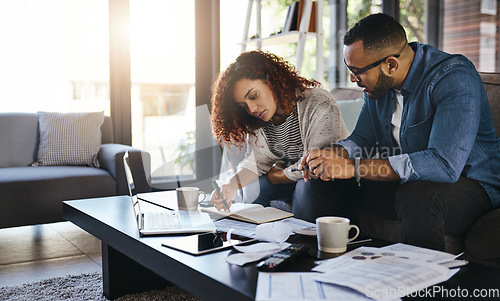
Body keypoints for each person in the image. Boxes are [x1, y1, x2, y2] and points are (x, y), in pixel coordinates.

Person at [297, 13, 500, 252]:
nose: (353, 79)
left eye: (357, 70)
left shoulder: (453, 78)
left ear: (391, 64)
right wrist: (330, 156)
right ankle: (322, 266)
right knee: (318, 182)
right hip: (407, 184)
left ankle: (421, 284)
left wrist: (354, 167)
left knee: (417, 196)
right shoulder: (378, 87)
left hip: (473, 186)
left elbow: (443, 165)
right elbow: (362, 139)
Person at [209, 50, 349, 211]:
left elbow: (315, 165)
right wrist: (230, 186)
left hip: (327, 180)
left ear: (271, 81)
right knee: (254, 187)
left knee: (305, 187)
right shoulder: (258, 120)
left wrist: (277, 176)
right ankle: (253, 233)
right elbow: (256, 162)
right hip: (293, 178)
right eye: (243, 106)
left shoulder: (318, 102)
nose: (252, 108)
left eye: (254, 96)